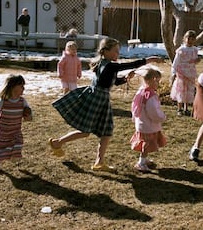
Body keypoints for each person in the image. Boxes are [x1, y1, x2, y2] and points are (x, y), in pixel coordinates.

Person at [48, 37, 163, 172]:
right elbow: (127, 65)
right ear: (105, 51)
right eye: (115, 51)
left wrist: (125, 79)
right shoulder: (108, 65)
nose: (117, 54)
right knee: (86, 131)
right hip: (97, 100)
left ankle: (99, 162)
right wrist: (149, 60)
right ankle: (57, 143)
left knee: (107, 131)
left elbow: (112, 82)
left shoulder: (106, 64)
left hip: (102, 100)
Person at [0, 75, 32, 174]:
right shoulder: (3, 100)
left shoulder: (22, 101)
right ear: (12, 86)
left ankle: (13, 157)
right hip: (3, 131)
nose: (23, 88)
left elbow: (29, 115)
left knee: (17, 146)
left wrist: (28, 115)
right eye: (21, 86)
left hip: (16, 131)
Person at [130, 66, 167, 173]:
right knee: (146, 144)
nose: (158, 84)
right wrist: (162, 117)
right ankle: (141, 162)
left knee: (146, 143)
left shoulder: (141, 91)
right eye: (157, 81)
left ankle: (144, 159)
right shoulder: (150, 96)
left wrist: (134, 117)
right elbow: (153, 111)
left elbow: (134, 106)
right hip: (148, 124)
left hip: (142, 122)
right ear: (152, 80)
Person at [170, 30, 200, 116]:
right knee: (181, 90)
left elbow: (194, 60)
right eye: (188, 38)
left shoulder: (195, 50)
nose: (189, 41)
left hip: (190, 73)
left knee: (189, 90)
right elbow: (176, 61)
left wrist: (196, 60)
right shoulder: (181, 50)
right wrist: (174, 71)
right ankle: (179, 108)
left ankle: (186, 108)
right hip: (182, 73)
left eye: (192, 39)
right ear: (184, 39)